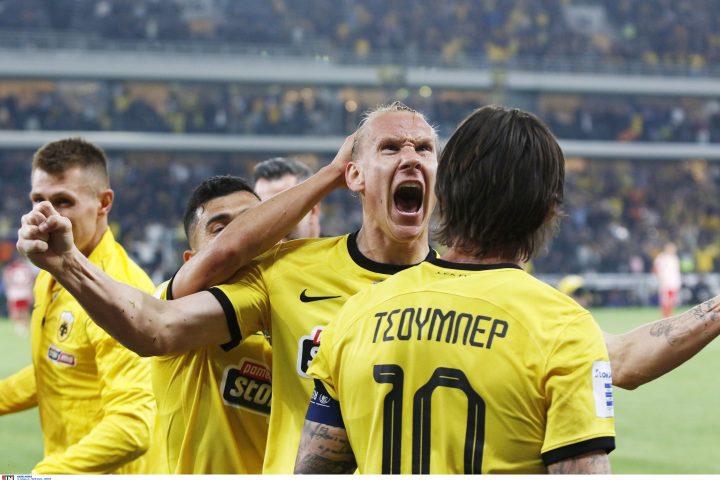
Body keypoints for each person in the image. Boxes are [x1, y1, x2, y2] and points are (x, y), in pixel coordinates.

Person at [15, 104, 720, 472]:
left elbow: (621, 359)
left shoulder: (475, 285)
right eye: (389, 147)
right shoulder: (291, 272)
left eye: (424, 148)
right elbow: (158, 327)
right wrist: (70, 265)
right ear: (355, 173)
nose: (411, 157)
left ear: (444, 178)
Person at [296, 105, 614, 474]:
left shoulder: (357, 313)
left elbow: (312, 471)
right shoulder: (564, 328)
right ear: (549, 210)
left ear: (442, 195)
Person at [0, 138, 156, 474]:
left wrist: (42, 476)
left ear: (104, 203)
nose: (46, 216)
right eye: (37, 200)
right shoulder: (50, 270)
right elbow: (60, 371)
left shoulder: (123, 292)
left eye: (63, 201)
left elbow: (132, 428)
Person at [150, 175, 271, 473]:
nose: (240, 238)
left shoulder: (302, 315)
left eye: (251, 222)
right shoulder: (175, 308)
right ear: (190, 262)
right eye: (220, 230)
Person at [253, 157, 320, 240]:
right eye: (262, 211)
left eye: (282, 210)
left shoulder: (335, 248)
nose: (271, 222)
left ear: (313, 210)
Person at [2, 254, 35, 335]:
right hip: (25, 291)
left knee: (15, 311)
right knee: (25, 310)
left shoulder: (11, 268)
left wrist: (8, 290)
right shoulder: (27, 267)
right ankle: (25, 327)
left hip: (15, 292)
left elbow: (7, 279)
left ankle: (18, 327)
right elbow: (31, 280)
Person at [654, 242, 682, 317]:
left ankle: (670, 315)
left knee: (672, 301)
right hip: (665, 282)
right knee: (665, 300)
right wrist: (660, 279)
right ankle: (665, 316)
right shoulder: (661, 257)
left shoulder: (675, 258)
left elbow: (676, 271)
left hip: (674, 282)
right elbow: (657, 269)